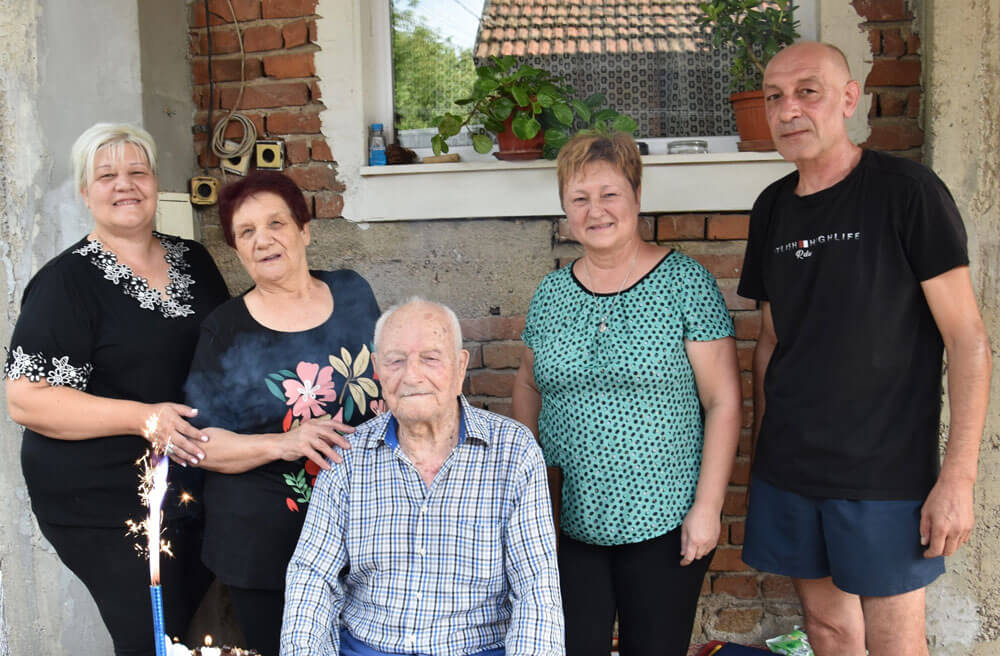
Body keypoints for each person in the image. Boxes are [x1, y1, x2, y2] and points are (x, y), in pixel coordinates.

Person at [738, 42, 992, 656]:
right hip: (792, 468)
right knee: (828, 630)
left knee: (896, 640)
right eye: (774, 97)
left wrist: (958, 477)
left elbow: (968, 339)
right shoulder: (772, 208)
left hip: (886, 473)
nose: (788, 110)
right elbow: (772, 340)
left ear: (850, 98)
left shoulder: (908, 192)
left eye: (808, 92)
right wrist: (761, 455)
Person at [511, 131, 742, 656]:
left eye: (609, 194)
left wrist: (708, 507)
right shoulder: (551, 293)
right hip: (566, 522)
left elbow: (724, 401)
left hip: (664, 517)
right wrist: (529, 481)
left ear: (637, 196)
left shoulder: (685, 283)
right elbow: (526, 381)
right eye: (579, 198)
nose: (595, 211)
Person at [4, 123, 229, 655]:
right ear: (86, 193)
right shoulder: (66, 283)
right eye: (107, 176)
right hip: (100, 497)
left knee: (192, 632)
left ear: (154, 182)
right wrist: (144, 417)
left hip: (191, 484)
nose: (124, 184)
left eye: (137, 172)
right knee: (151, 639)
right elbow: (26, 399)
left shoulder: (193, 260)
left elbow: (229, 346)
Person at [281, 298, 564, 656]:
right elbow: (312, 578)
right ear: (378, 371)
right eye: (396, 361)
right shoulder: (346, 457)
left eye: (430, 358)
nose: (412, 376)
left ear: (460, 367)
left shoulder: (514, 451)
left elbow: (536, 588)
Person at [182, 171, 381, 656]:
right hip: (266, 547)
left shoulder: (352, 292)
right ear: (237, 250)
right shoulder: (225, 329)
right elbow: (198, 444)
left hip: (366, 533)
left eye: (276, 223)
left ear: (304, 230)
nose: (264, 239)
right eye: (247, 231)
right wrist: (285, 442)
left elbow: (388, 379)